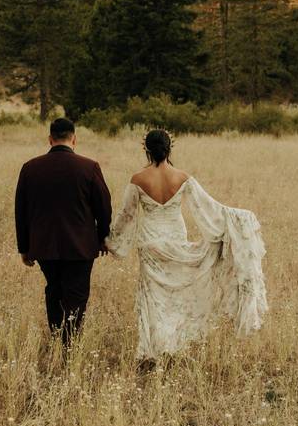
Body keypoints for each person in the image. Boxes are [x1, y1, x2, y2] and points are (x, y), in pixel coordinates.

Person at [105, 129, 268, 364]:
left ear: (146, 149)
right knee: (175, 296)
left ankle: (153, 351)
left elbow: (127, 215)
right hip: (175, 239)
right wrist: (240, 219)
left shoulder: (138, 179)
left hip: (151, 244)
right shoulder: (182, 177)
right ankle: (172, 345)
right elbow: (209, 208)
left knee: (154, 298)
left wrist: (111, 240)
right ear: (170, 148)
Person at [15, 118, 112, 346]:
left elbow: (21, 211)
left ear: (50, 139)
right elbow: (104, 207)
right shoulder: (89, 167)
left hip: (44, 246)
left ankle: (58, 337)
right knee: (76, 295)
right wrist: (103, 237)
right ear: (74, 139)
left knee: (54, 290)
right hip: (81, 246)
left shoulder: (30, 168)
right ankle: (70, 344)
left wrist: (24, 247)